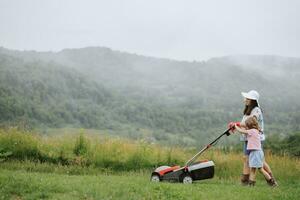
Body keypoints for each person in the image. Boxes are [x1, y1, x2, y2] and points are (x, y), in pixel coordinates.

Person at [229, 90, 278, 186]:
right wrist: (236, 126)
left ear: (252, 100)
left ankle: (271, 181)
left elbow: (251, 123)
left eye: (247, 98)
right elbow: (245, 124)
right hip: (248, 138)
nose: (245, 100)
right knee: (246, 159)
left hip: (254, 139)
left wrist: (236, 124)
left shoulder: (256, 110)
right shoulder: (249, 110)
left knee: (261, 162)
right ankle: (245, 182)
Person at [234, 117, 276, 186]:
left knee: (259, 169)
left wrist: (235, 126)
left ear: (249, 125)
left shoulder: (252, 131)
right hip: (258, 152)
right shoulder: (256, 130)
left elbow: (242, 131)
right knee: (255, 169)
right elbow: (245, 131)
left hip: (255, 153)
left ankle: (271, 182)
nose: (246, 126)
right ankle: (252, 184)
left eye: (246, 125)